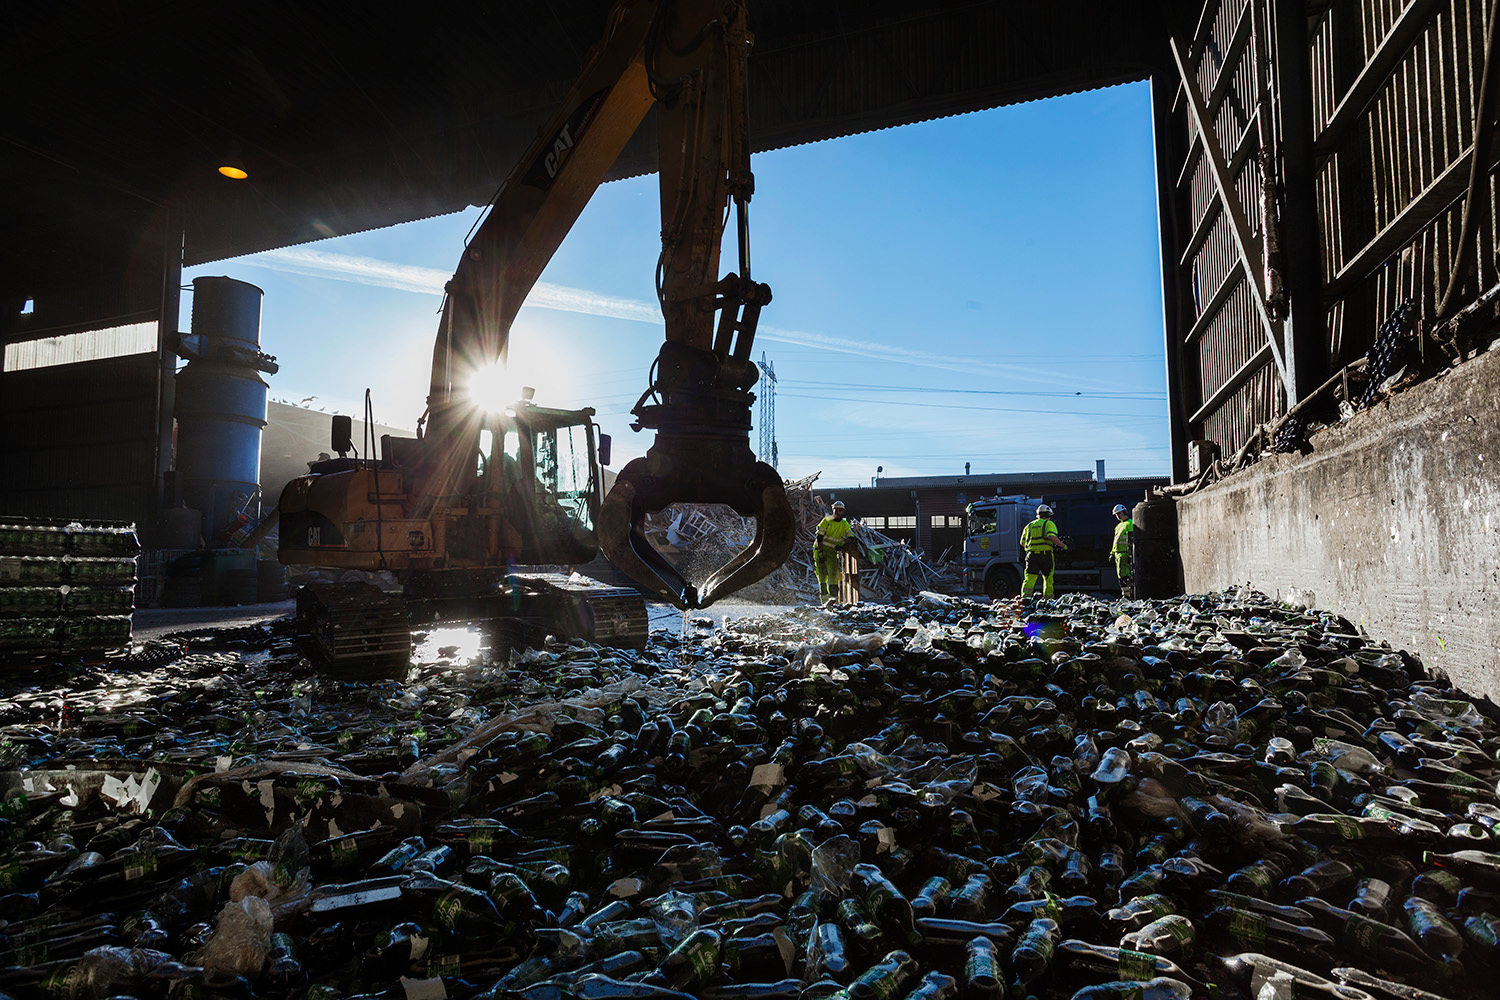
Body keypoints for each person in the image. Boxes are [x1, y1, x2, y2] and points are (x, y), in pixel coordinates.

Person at [1020, 502, 1067, 598]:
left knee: (1029, 579)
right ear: (1048, 515)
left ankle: (1025, 599)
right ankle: (1048, 600)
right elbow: (1051, 537)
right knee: (1048, 579)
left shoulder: (1029, 526)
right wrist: (1063, 546)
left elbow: (1022, 542)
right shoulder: (1049, 524)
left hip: (1031, 556)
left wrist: (1030, 549)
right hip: (1045, 556)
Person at [814, 500, 854, 603]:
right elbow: (819, 537)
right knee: (822, 575)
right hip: (819, 549)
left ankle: (833, 602)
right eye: (836, 510)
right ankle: (824, 602)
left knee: (833, 574)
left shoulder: (844, 524)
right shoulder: (826, 521)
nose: (838, 512)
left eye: (840, 510)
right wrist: (821, 553)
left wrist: (843, 543)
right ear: (833, 510)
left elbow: (851, 537)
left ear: (843, 512)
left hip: (832, 551)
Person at [1111, 503, 1134, 598]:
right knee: (1121, 575)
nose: (1118, 515)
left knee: (1126, 575)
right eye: (1116, 514)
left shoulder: (1130, 523)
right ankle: (1126, 594)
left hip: (1125, 554)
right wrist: (1112, 553)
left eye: (1119, 513)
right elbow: (1115, 541)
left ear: (1124, 512)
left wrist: (1131, 553)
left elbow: (1132, 539)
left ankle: (1129, 595)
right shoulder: (1118, 526)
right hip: (1118, 554)